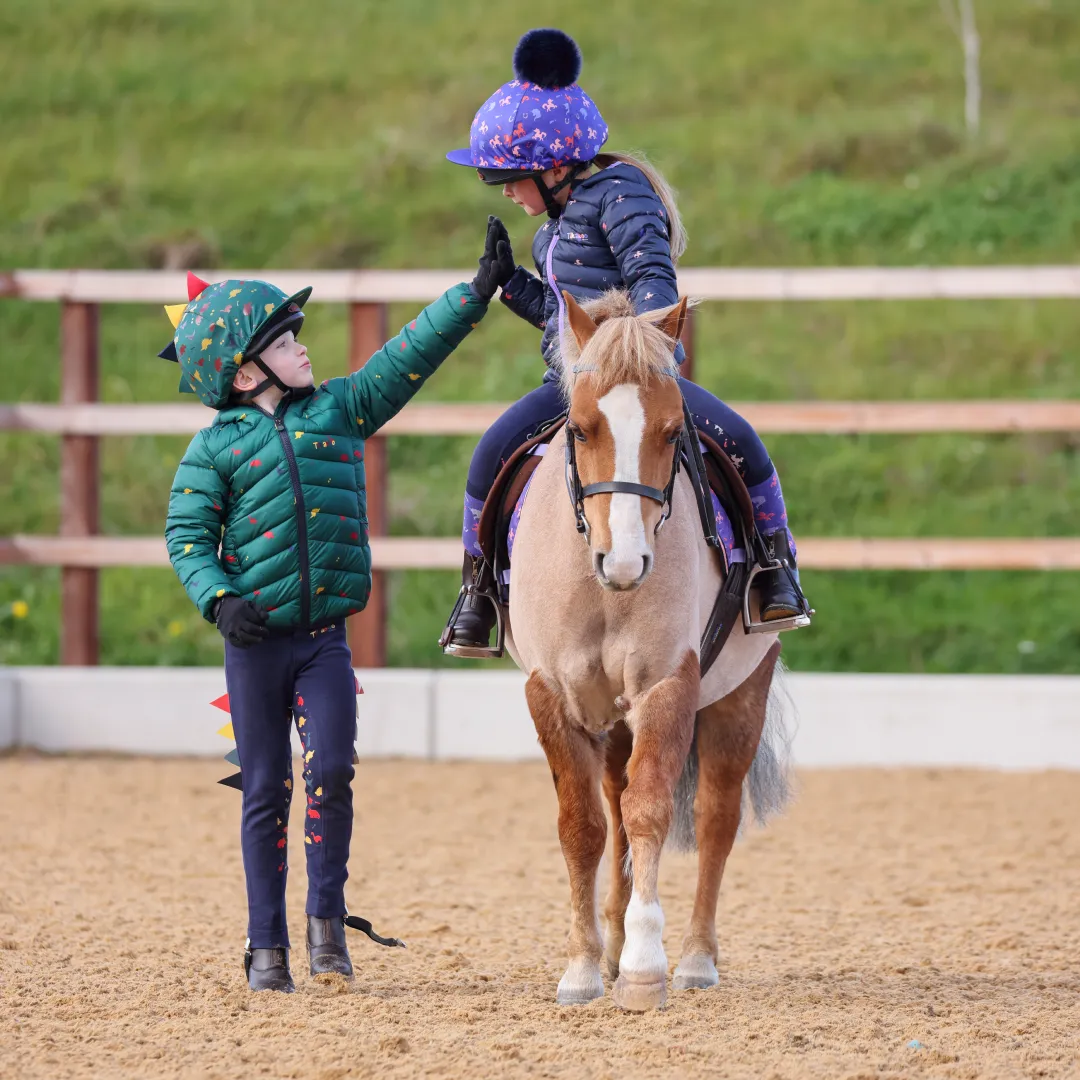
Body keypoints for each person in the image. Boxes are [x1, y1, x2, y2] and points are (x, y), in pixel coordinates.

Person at [161, 238, 507, 990]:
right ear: (245, 370)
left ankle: (326, 925)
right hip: (255, 648)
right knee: (263, 790)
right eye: (286, 342)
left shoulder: (342, 411)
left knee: (334, 773)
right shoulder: (211, 450)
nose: (304, 348)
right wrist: (219, 599)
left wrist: (473, 294)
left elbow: (404, 357)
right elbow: (186, 537)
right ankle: (265, 946)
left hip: (324, 644)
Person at [443, 28, 804, 653]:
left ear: (555, 167)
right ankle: (478, 593)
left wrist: (620, 352)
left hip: (640, 383)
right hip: (575, 385)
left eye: (509, 176)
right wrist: (507, 284)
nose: (504, 189)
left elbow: (655, 292)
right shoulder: (552, 227)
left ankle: (776, 572)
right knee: (489, 456)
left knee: (742, 442)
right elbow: (564, 322)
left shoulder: (622, 195)